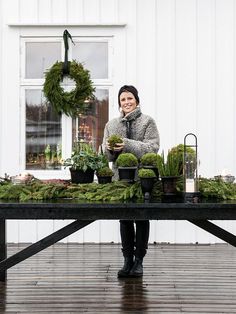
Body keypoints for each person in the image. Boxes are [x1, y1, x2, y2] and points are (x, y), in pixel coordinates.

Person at [102, 85, 160, 278]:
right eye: (123, 100)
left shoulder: (147, 121)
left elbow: (153, 148)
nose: (126, 102)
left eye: (130, 98)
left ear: (137, 100)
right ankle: (127, 260)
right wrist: (112, 149)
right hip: (121, 180)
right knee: (125, 218)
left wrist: (126, 144)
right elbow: (107, 155)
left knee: (142, 218)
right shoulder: (111, 125)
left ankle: (139, 261)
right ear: (119, 103)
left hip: (143, 179)